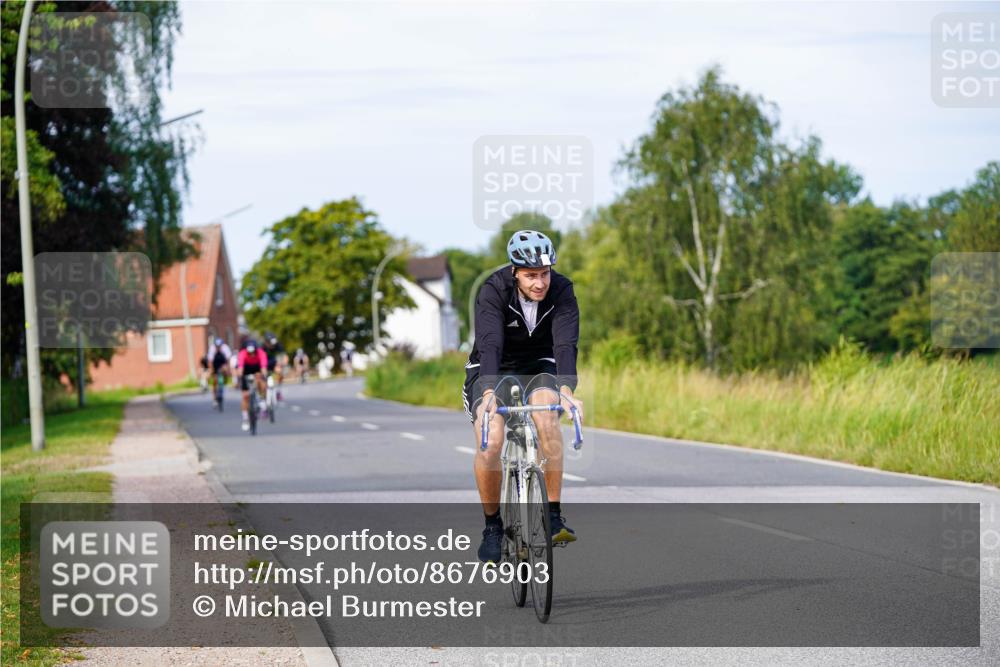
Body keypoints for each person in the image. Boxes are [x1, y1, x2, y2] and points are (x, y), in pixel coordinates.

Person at [463, 230, 584, 563]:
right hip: (494, 367)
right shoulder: (493, 290)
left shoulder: (562, 290)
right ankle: (492, 527)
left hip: (539, 364)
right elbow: (490, 343)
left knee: (547, 418)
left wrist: (567, 389)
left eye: (544, 274)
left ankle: (554, 514)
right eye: (531, 275)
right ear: (515, 272)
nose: (540, 283)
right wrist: (488, 390)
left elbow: (564, 344)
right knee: (491, 441)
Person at [237, 339, 268, 431]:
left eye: (253, 352)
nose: (251, 354)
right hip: (246, 370)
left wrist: (263, 375)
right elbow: (240, 368)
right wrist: (239, 377)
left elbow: (263, 368)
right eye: (249, 352)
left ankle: (262, 400)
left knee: (261, 381)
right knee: (245, 396)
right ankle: (245, 418)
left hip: (257, 369)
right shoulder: (242, 354)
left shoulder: (261, 353)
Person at [206, 337, 232, 405]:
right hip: (214, 364)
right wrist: (211, 370)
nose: (218, 347)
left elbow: (228, 360)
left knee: (225, 370)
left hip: (222, 363)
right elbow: (210, 361)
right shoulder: (212, 349)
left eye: (219, 346)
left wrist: (228, 369)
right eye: (217, 346)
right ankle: (214, 398)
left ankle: (224, 382)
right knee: (214, 381)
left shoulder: (225, 348)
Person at [262, 333, 286, 401]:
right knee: (262, 379)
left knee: (280, 372)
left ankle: (278, 391)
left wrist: (282, 363)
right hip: (264, 363)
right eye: (270, 343)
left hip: (273, 362)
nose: (272, 345)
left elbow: (283, 355)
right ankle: (263, 398)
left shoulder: (277, 345)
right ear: (266, 342)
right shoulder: (262, 347)